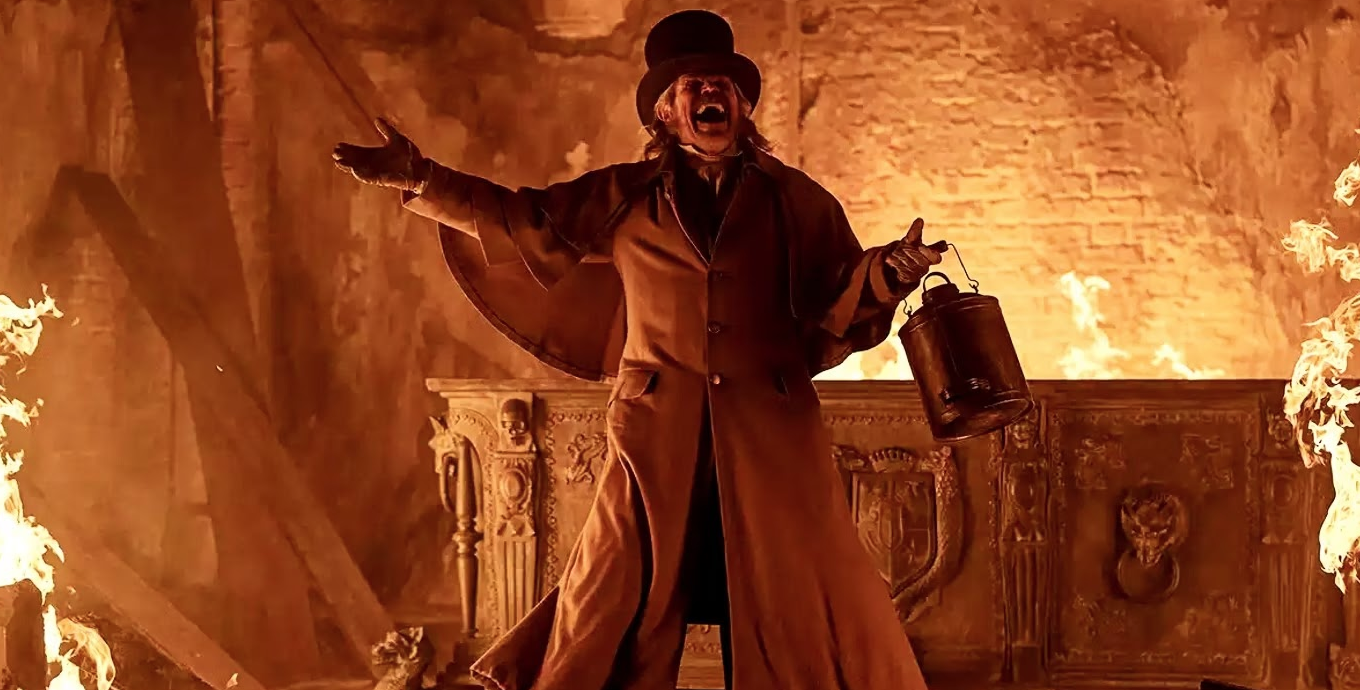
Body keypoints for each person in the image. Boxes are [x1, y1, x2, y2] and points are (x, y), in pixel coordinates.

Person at [333, 9, 946, 690]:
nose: (708, 92)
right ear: (664, 112)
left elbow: (843, 290)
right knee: (611, 587)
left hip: (773, 430)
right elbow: (521, 218)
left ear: (742, 106)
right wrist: (423, 179)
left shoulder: (795, 200)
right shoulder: (623, 197)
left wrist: (892, 270)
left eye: (721, 84)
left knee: (798, 592)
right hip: (655, 427)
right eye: (691, 85)